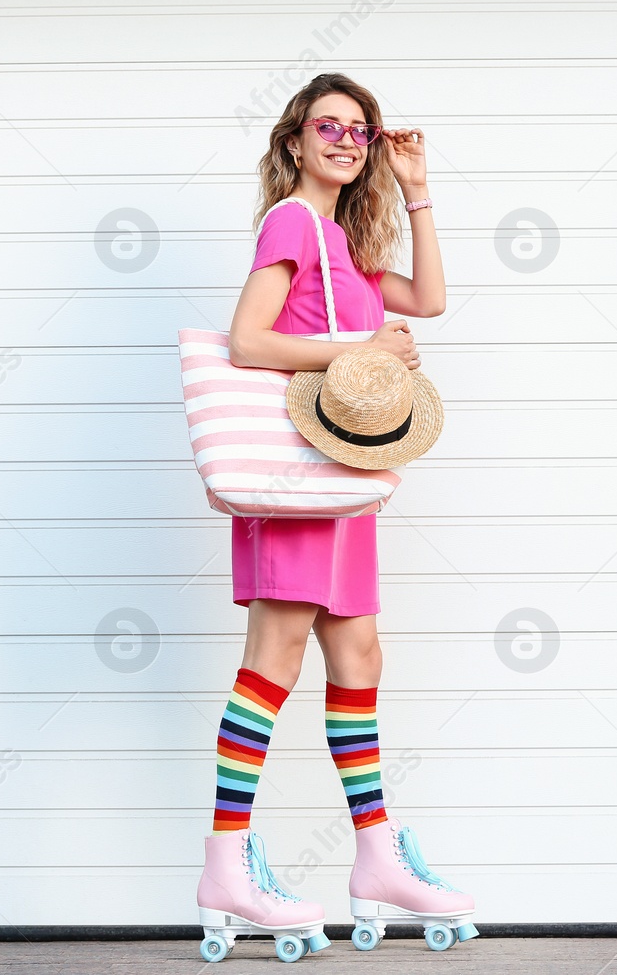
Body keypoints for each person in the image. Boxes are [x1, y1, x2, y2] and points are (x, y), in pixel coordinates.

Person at [194, 73, 479, 958]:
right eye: (331, 126)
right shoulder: (290, 223)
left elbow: (429, 301)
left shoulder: (346, 246)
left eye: (362, 131)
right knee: (273, 659)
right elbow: (249, 339)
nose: (348, 141)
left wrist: (418, 189)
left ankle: (375, 855)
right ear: (295, 140)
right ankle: (227, 864)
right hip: (294, 482)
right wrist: (359, 347)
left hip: (343, 481)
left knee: (360, 655)